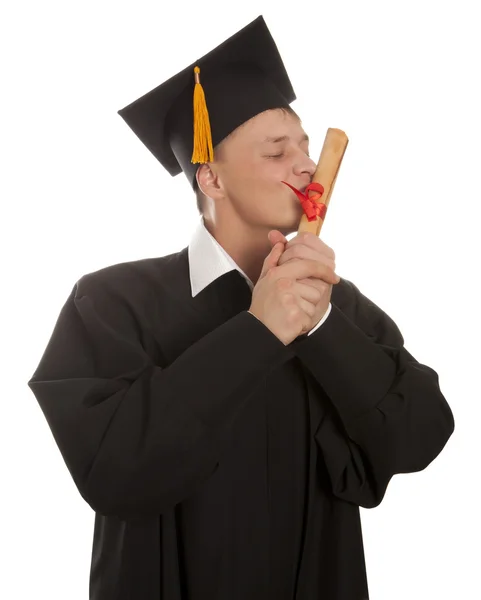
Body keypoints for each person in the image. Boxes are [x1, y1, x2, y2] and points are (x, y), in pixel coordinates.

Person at [27, 14, 455, 600]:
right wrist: (259, 331)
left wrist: (323, 325)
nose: (306, 165)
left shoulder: (335, 304)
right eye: (279, 151)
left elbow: (419, 436)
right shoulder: (109, 303)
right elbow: (115, 470)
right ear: (212, 180)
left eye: (305, 146)